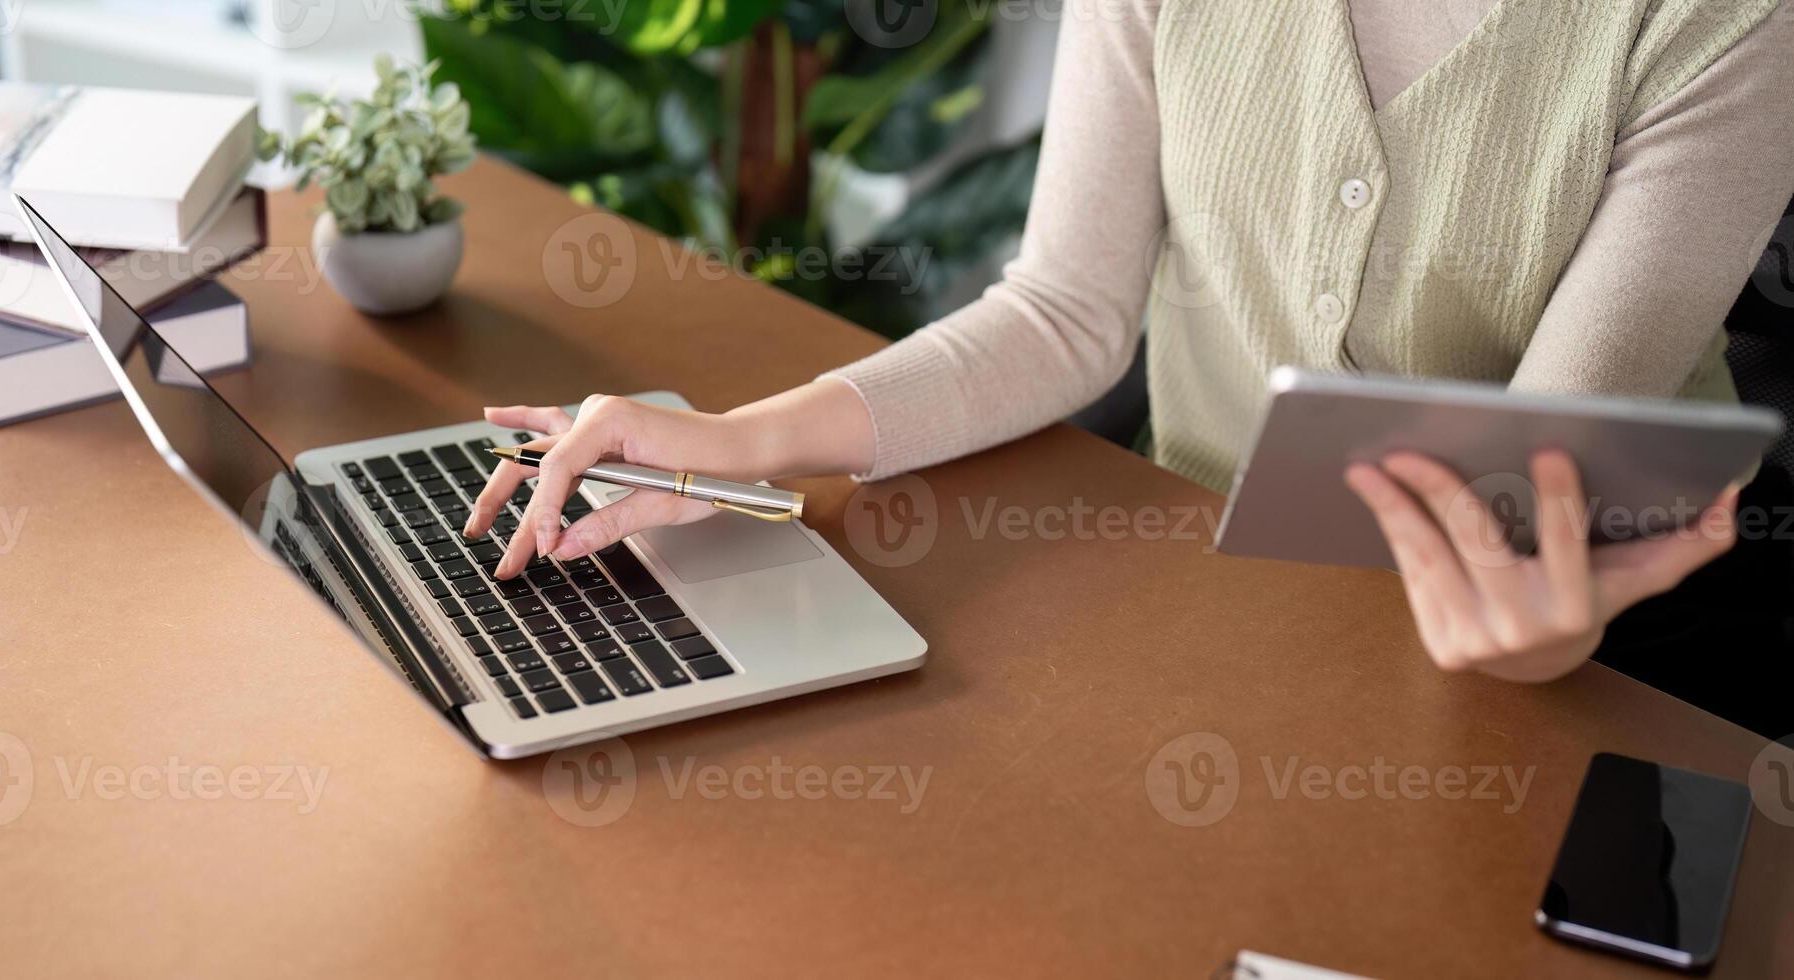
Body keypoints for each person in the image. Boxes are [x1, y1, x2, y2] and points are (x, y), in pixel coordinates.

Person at [464, 2, 1794, 714]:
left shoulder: (1724, 22)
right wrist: (744, 442)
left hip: (1600, 641)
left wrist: (1532, 648)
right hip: (1215, 599)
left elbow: (1532, 493)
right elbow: (1064, 313)